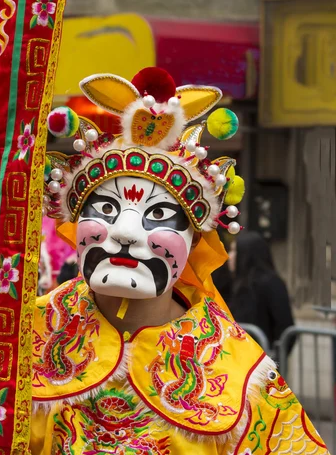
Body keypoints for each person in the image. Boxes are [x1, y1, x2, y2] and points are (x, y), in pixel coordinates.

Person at [30, 68, 329, 454]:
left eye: (158, 216)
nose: (125, 232)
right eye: (105, 207)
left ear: (196, 240)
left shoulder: (243, 376)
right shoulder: (24, 336)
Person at [227, 231, 295, 359]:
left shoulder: (271, 283)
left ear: (246, 254)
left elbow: (285, 328)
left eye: (234, 251)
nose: (229, 256)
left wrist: (274, 361)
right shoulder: (238, 284)